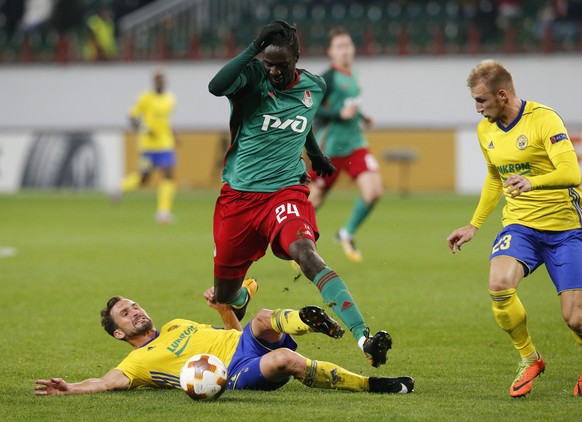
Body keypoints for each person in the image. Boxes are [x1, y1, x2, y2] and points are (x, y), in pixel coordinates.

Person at [207, 20, 392, 368]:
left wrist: (316, 153)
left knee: (307, 255)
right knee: (223, 297)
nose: (274, 71)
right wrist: (252, 50)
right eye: (268, 63)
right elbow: (215, 86)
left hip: (285, 191)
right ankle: (244, 293)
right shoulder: (251, 80)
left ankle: (364, 337)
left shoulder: (315, 85)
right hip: (238, 199)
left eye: (282, 64)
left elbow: (303, 120)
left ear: (297, 58)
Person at [446, 59, 582, 398]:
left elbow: (572, 173)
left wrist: (532, 182)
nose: (477, 108)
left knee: (575, 319)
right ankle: (530, 358)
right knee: (499, 284)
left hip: (566, 228)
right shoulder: (486, 130)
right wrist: (474, 225)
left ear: (503, 95)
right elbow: (495, 176)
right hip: (521, 225)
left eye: (481, 100)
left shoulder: (544, 119)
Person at [34, 284, 415, 396]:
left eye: (135, 305)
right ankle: (374, 384)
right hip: (234, 372)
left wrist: (222, 310)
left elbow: (233, 332)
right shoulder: (136, 363)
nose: (135, 311)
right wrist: (70, 389)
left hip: (241, 344)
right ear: (119, 333)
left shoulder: (176, 324)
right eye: (126, 313)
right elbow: (104, 382)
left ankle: (309, 320)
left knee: (263, 317)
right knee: (285, 359)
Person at [309, 27, 382, 264]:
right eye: (339, 46)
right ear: (331, 52)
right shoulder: (327, 78)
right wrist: (339, 114)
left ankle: (346, 233)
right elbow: (313, 108)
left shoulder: (354, 74)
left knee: (374, 192)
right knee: (314, 201)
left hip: (355, 143)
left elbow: (351, 104)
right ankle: (298, 241)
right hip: (330, 149)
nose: (345, 50)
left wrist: (362, 117)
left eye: (347, 45)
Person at [115, 67, 177, 224]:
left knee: (168, 174)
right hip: (147, 146)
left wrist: (175, 134)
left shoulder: (170, 99)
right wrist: (145, 128)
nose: (159, 82)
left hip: (165, 144)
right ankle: (120, 187)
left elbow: (166, 121)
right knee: (144, 179)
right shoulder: (145, 98)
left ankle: (163, 212)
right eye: (157, 80)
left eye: (161, 79)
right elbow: (132, 117)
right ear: (153, 82)